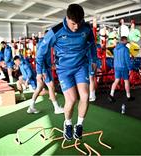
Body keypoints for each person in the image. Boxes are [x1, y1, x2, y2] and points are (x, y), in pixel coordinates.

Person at [36, 4, 96, 140]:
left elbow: (92, 43)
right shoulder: (55, 32)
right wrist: (39, 71)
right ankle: (68, 123)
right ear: (67, 18)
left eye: (79, 23)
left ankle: (79, 125)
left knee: (85, 96)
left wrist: (94, 60)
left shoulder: (86, 28)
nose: (76, 27)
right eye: (73, 23)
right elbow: (40, 52)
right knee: (72, 99)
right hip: (64, 70)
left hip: (81, 66)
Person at [27, 30, 64, 115]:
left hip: (44, 69)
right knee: (51, 87)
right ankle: (56, 108)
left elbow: (50, 56)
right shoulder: (43, 43)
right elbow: (39, 58)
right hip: (44, 70)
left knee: (39, 88)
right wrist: (42, 71)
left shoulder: (49, 43)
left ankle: (31, 107)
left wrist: (52, 64)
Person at [108, 36, 135, 102]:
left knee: (116, 80)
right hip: (123, 67)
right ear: (123, 40)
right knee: (126, 81)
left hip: (116, 67)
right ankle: (128, 96)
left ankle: (111, 95)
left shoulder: (115, 49)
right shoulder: (125, 49)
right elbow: (127, 60)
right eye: (126, 40)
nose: (127, 42)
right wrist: (130, 68)